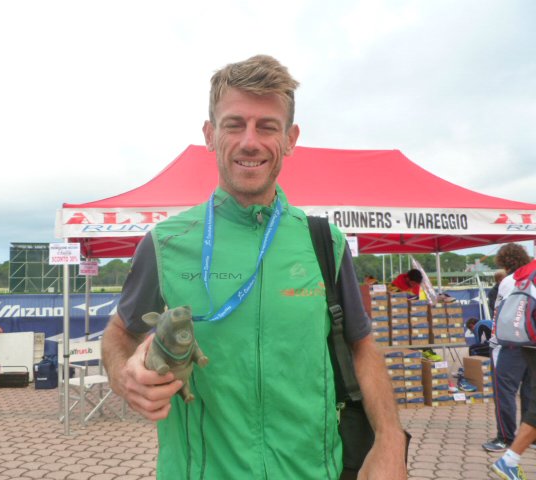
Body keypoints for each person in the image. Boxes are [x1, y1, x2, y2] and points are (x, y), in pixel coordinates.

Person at [102, 55, 407, 479]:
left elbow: (362, 347)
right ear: (210, 135)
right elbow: (120, 332)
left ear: (290, 138)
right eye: (234, 124)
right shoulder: (166, 243)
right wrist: (125, 377)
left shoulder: (324, 242)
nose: (250, 142)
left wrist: (390, 440)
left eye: (267, 126)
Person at [483, 244, 532, 455]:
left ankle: (505, 438)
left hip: (510, 345)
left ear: (503, 262)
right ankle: (529, 437)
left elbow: (499, 314)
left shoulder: (508, 282)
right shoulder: (533, 278)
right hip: (533, 343)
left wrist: (494, 342)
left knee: (504, 392)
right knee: (530, 392)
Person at [491, 257, 536, 479]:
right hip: (523, 341)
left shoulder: (521, 275)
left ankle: (508, 450)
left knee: (522, 395)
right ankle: (509, 454)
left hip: (522, 340)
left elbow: (499, 310)